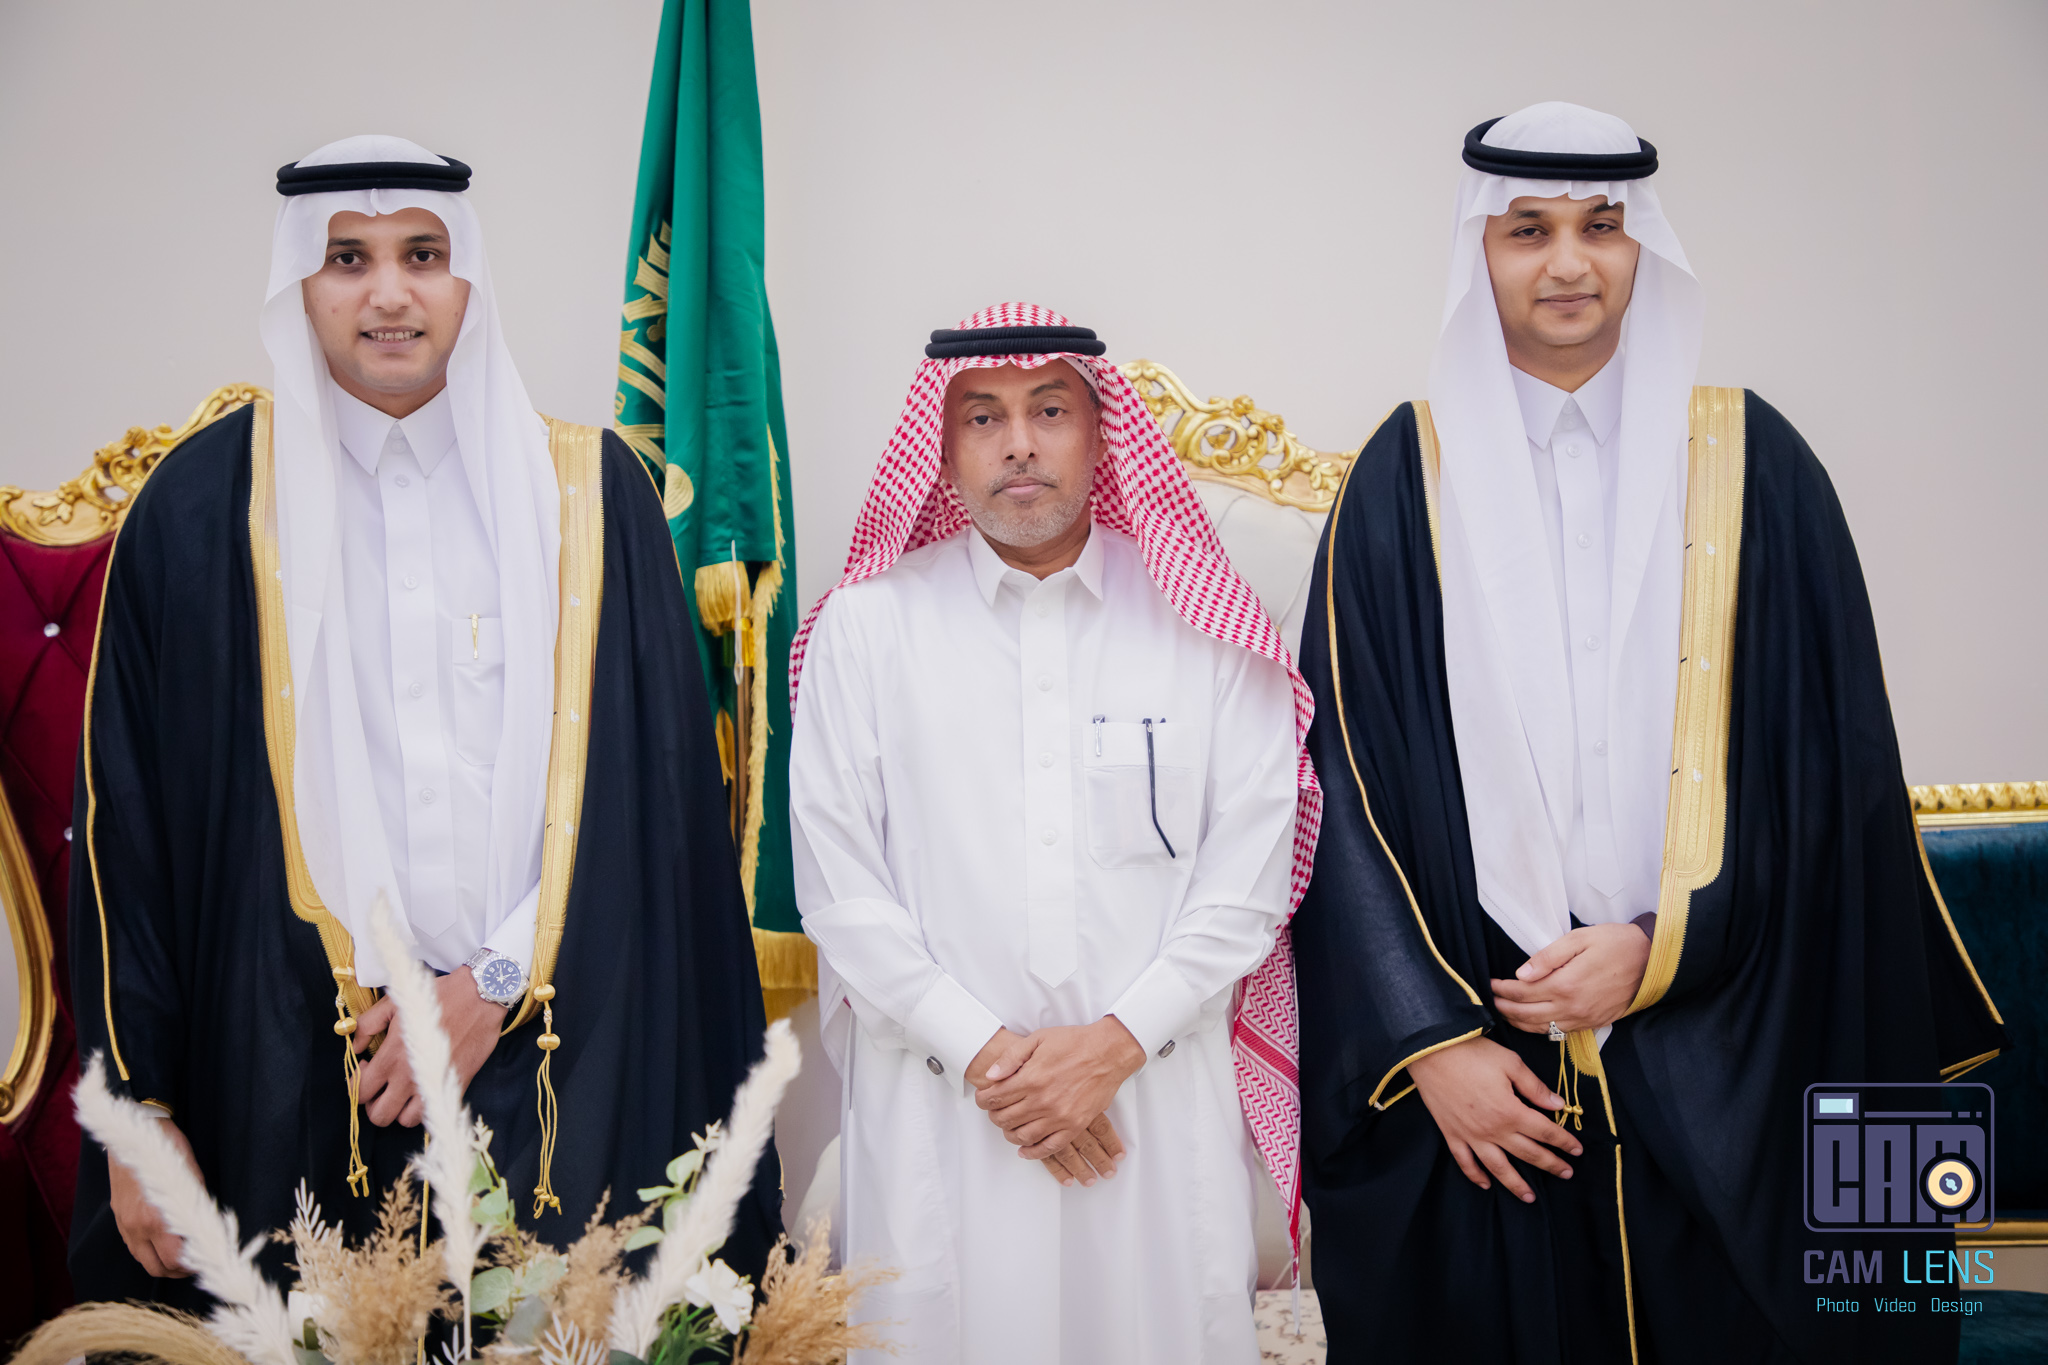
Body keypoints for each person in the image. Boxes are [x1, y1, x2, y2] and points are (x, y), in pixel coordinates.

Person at [1292, 104, 2006, 1364]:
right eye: (1527, 230)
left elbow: (1827, 786)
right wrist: (1429, 1043)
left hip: (1739, 1021)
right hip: (1492, 1052)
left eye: (1600, 227)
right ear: (1478, 253)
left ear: (1641, 250)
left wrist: (1661, 943)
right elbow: (1337, 789)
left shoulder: (1756, 463)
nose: (1568, 262)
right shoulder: (1401, 480)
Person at [70, 137, 778, 1297]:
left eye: (422, 254)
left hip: (559, 1060)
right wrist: (136, 1111)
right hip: (287, 1076)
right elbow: (125, 834)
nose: (388, 293)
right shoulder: (197, 509)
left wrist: (494, 981)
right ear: (300, 282)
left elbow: (652, 811)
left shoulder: (591, 497)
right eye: (347, 258)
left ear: (468, 278)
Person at [787, 304, 1320, 1363]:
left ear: (1101, 431)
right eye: (982, 417)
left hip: (1152, 1098)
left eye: (1049, 410)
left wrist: (1110, 1049)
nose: (1018, 443)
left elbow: (1250, 879)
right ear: (943, 450)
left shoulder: (1204, 625)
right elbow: (840, 889)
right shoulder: (867, 627)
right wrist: (996, 1063)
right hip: (942, 1101)